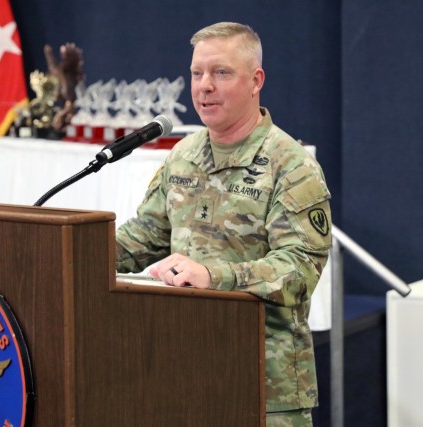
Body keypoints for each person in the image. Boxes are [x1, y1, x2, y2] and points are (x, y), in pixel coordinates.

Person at [115, 22, 331, 426]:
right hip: (182, 375)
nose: (204, 86)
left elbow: (299, 271)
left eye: (221, 72)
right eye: (197, 74)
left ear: (255, 81)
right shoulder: (183, 155)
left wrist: (215, 276)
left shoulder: (291, 165)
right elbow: (143, 237)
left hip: (265, 387)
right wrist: (75, 253)